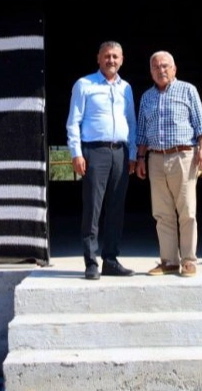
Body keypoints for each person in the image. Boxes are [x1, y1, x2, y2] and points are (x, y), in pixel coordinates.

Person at [134, 50, 202, 278]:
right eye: (156, 67)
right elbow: (141, 134)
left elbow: (201, 127)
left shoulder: (188, 90)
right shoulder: (146, 97)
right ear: (151, 72)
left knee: (187, 211)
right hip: (155, 158)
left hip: (184, 156)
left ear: (174, 69)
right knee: (162, 213)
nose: (161, 70)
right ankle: (168, 261)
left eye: (165, 66)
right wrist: (140, 159)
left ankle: (188, 260)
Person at [66, 41, 138, 280]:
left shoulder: (126, 88)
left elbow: (132, 122)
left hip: (120, 151)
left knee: (116, 208)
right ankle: (91, 261)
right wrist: (76, 152)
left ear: (122, 59)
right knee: (93, 207)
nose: (111, 61)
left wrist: (133, 154)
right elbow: (73, 121)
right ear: (98, 58)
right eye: (107, 56)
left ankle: (111, 259)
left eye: (116, 57)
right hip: (94, 152)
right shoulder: (84, 85)